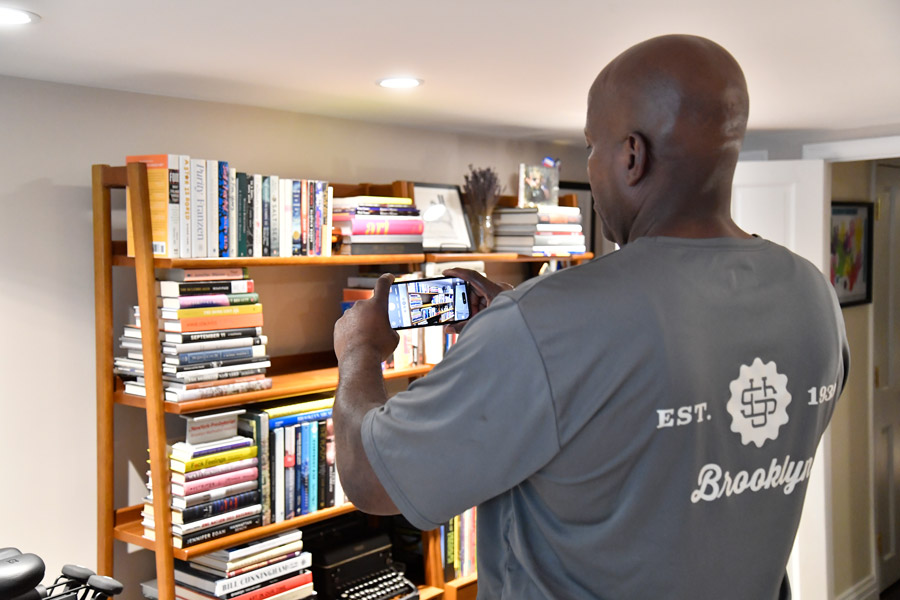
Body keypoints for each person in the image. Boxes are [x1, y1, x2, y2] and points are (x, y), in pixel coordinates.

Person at [332, 34, 849, 599]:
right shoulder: (812, 295)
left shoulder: (546, 325)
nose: (591, 168)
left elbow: (371, 477)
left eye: (591, 148)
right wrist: (522, 322)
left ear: (632, 155)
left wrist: (360, 350)